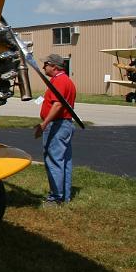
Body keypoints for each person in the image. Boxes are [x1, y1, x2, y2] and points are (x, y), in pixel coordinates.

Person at [33, 54, 77, 205]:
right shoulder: (66, 81)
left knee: (54, 160)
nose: (44, 66)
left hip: (57, 125)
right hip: (64, 124)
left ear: (55, 67)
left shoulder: (59, 81)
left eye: (46, 64)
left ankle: (56, 197)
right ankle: (64, 196)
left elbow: (57, 105)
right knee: (64, 161)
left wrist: (44, 124)